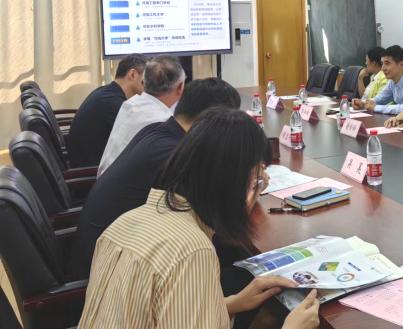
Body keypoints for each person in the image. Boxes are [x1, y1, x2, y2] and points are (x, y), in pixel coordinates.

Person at [79, 108, 320, 329]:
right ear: (233, 183)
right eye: (256, 182)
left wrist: (231, 304)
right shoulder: (192, 250)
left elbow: (154, 313)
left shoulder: (124, 222)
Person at [70, 78, 242, 279]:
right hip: (114, 273)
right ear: (213, 121)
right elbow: (213, 219)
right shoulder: (174, 154)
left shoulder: (157, 131)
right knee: (238, 267)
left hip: (106, 252)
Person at [98, 55, 185, 176]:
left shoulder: (130, 104)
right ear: (180, 87)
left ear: (143, 82)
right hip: (128, 185)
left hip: (104, 181)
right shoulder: (162, 122)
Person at [65, 54, 147, 167]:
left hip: (85, 164)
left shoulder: (105, 93)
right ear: (132, 74)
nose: (149, 83)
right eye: (146, 79)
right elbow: (139, 141)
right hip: (92, 172)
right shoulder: (114, 104)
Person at [352, 45, 403, 115]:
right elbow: (379, 99)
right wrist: (363, 103)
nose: (383, 68)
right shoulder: (392, 81)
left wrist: (375, 107)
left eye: (387, 63)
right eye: (382, 64)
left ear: (401, 65)